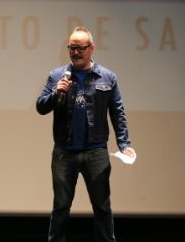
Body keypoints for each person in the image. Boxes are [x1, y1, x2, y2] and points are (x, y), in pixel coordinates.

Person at [36, 27, 136, 242]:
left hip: (96, 152)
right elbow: (41, 107)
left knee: (102, 207)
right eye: (72, 47)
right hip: (64, 153)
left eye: (80, 47)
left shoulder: (107, 77)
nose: (75, 52)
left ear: (91, 48)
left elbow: (117, 112)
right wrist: (56, 94)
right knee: (61, 207)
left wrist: (124, 144)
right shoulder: (56, 76)